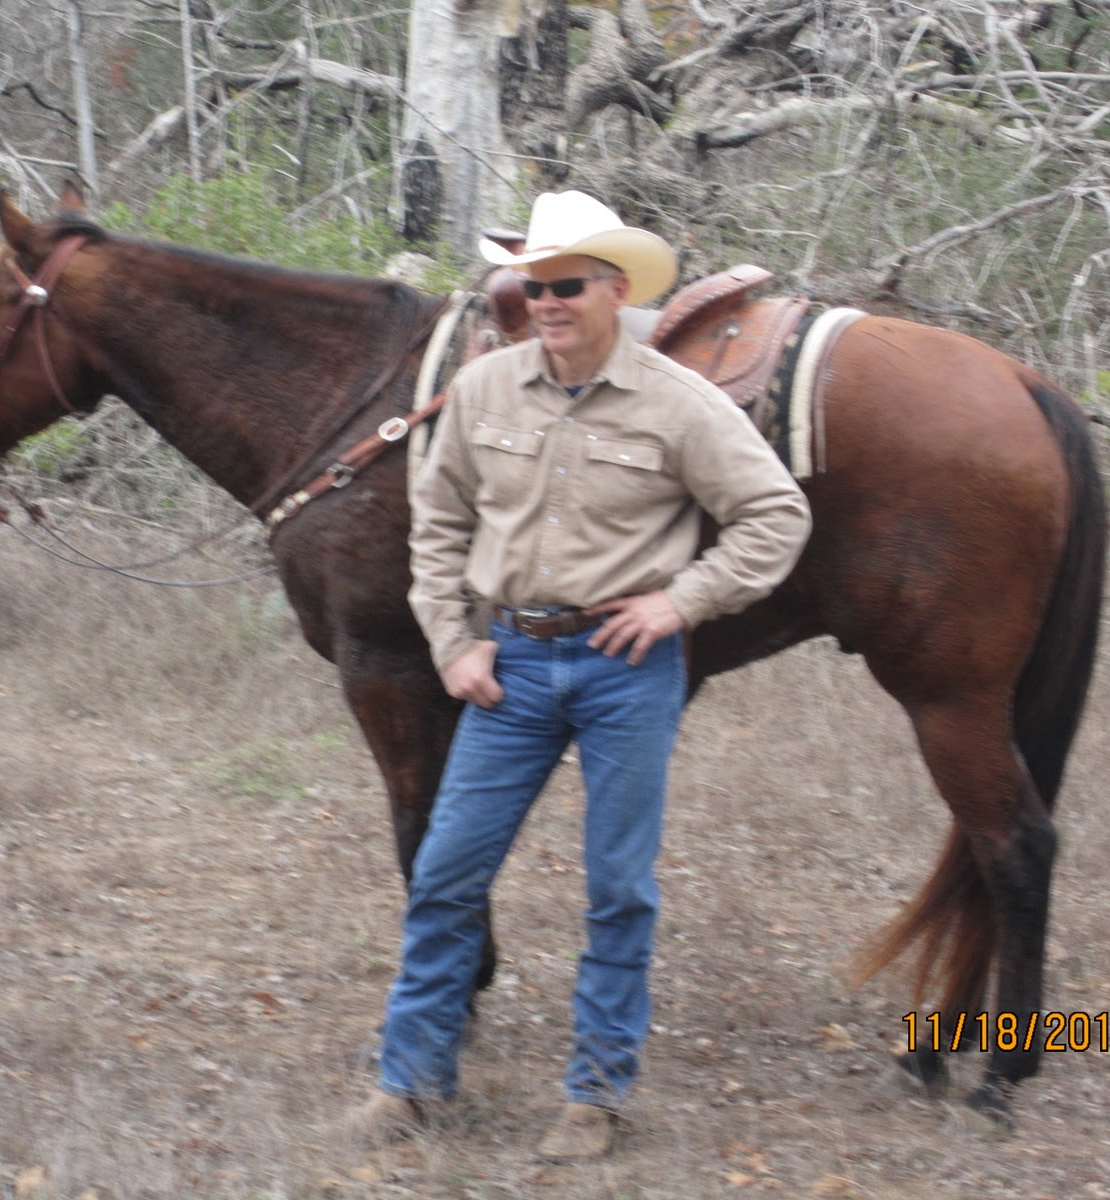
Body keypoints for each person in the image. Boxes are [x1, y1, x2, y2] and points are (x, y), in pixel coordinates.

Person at [342, 190, 812, 1160]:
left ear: (612, 289)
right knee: (445, 875)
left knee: (618, 887)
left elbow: (776, 515)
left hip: (623, 669)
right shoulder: (483, 391)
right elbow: (435, 528)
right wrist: (452, 644)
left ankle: (594, 1095)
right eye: (531, 284)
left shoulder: (677, 402)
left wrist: (680, 602)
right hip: (508, 667)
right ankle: (410, 1080)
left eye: (564, 285)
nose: (544, 301)